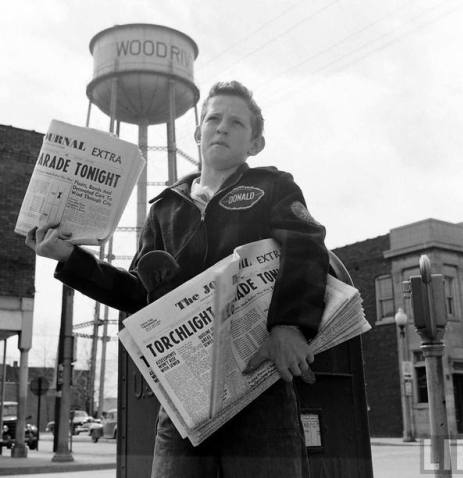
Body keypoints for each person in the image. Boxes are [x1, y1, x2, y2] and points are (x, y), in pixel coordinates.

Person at [26, 80, 329, 477]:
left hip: (261, 391)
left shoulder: (274, 187)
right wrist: (70, 257)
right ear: (197, 131)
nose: (221, 127)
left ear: (255, 144)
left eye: (236, 123)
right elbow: (139, 292)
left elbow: (307, 245)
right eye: (214, 118)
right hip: (184, 402)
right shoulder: (165, 209)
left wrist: (289, 324)